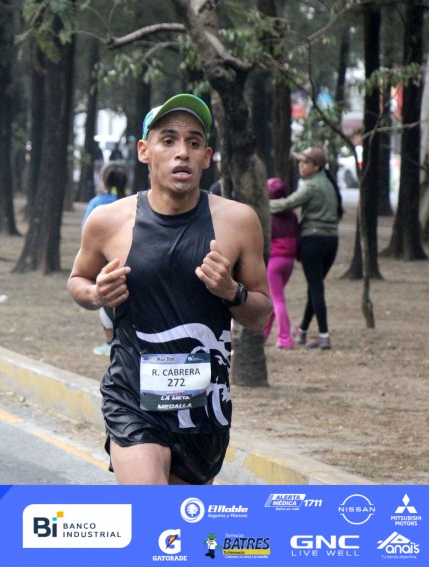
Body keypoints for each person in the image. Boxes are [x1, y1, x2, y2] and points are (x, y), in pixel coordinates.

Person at [67, 94, 271, 485]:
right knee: (151, 504)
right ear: (144, 151)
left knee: (180, 519)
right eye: (168, 140)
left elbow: (261, 314)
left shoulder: (238, 222)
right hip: (132, 394)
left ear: (206, 157)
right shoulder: (108, 221)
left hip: (203, 405)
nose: (182, 153)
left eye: (194, 143)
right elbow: (78, 280)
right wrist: (96, 295)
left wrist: (232, 291)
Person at [269, 146, 343, 350]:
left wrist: (262, 204)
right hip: (331, 241)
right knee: (315, 286)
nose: (300, 166)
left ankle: (324, 335)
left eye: (305, 162)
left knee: (316, 288)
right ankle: (303, 330)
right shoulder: (329, 183)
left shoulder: (311, 186)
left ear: (316, 166)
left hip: (313, 240)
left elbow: (286, 204)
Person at [81, 162, 129, 356]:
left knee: (106, 303)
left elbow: (85, 232)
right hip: (128, 263)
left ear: (104, 181)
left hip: (105, 265)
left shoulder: (97, 203)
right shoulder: (131, 202)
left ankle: (110, 342)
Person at [263, 177, 299, 349]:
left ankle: (285, 338)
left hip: (274, 261)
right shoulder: (291, 215)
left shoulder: (266, 215)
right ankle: (262, 336)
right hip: (288, 261)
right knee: (273, 298)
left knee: (277, 300)